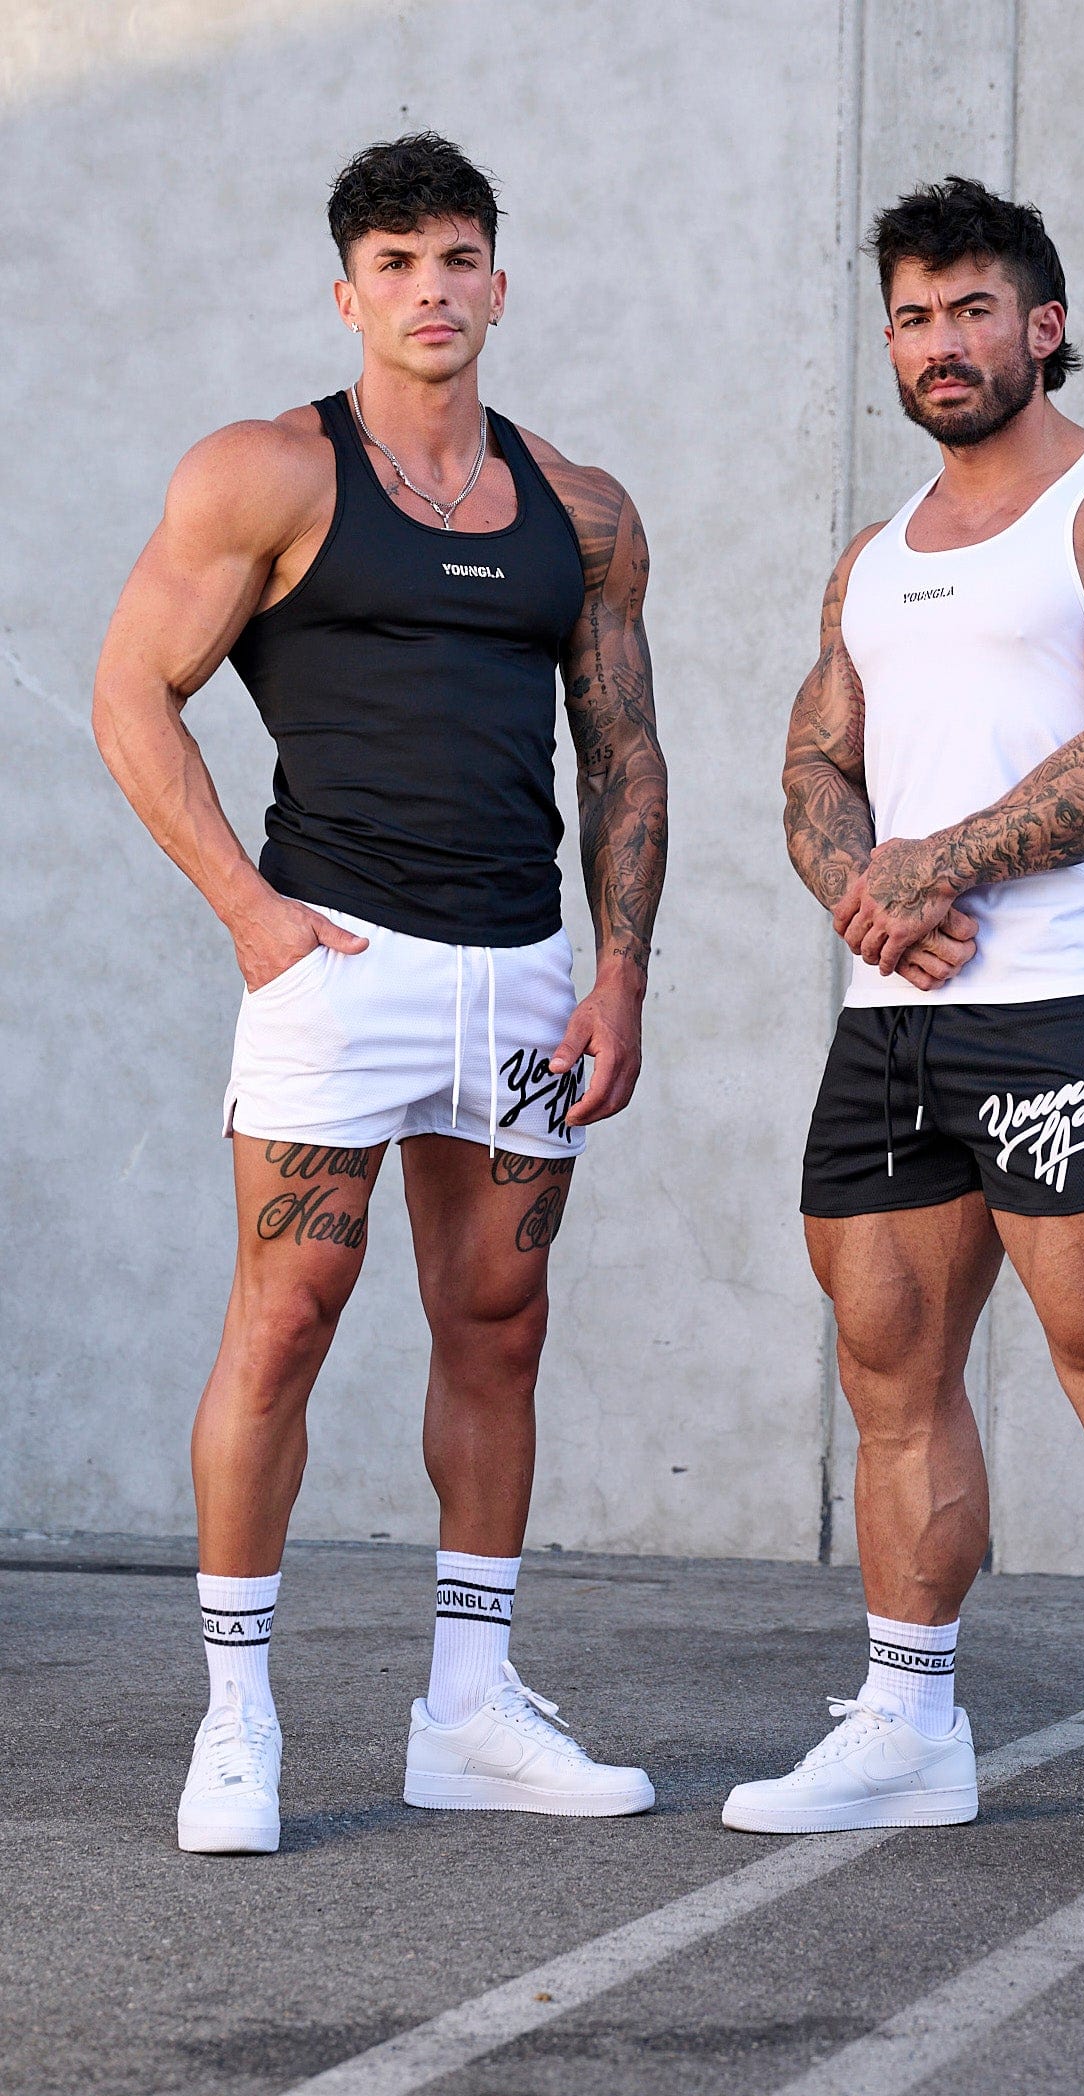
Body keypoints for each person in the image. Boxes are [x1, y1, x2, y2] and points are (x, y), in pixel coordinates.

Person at [92, 133, 668, 1853]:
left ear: (500, 282)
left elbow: (623, 754)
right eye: (397, 263)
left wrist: (617, 970)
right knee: (285, 1320)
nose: (432, 289)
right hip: (336, 964)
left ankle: (468, 1712)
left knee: (500, 1323)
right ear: (347, 295)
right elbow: (131, 693)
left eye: (458, 258)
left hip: (524, 976)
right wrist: (250, 914)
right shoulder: (266, 472)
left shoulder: (581, 509)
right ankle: (237, 1723)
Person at [723, 177, 1084, 1896]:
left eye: (969, 309)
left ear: (1043, 323)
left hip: (1060, 1007)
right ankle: (907, 1726)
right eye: (910, 316)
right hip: (893, 1024)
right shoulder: (872, 562)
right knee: (887, 1373)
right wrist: (860, 892)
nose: (938, 343)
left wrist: (931, 866)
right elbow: (814, 764)